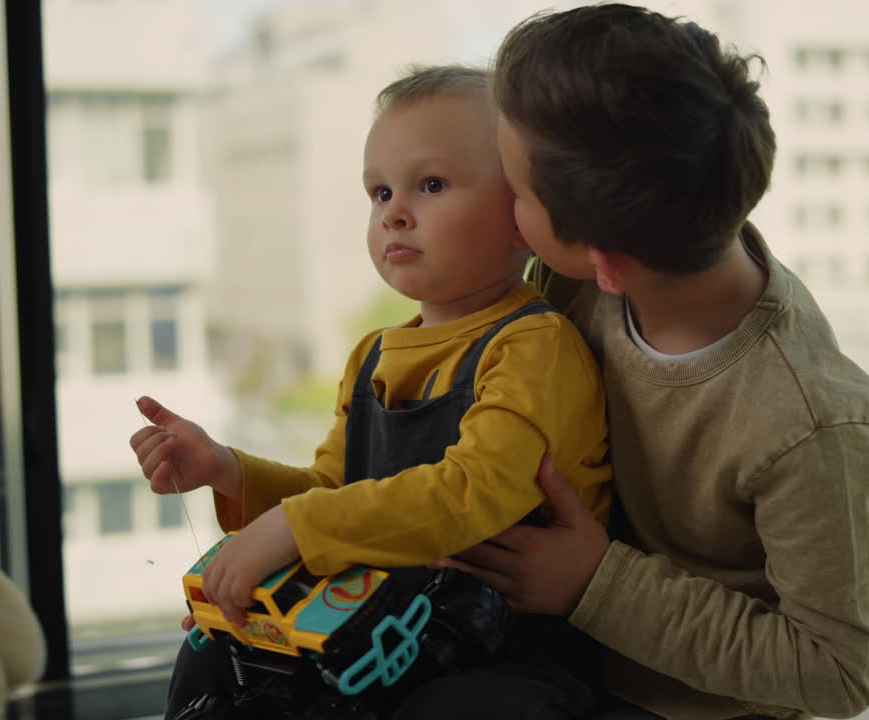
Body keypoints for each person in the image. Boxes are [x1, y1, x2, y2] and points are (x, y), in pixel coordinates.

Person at [433, 5, 869, 720]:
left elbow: (839, 672)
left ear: (605, 264)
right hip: (561, 652)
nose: (499, 200)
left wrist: (595, 582)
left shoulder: (811, 422)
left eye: (515, 192)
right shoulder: (628, 242)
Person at [130, 64, 611, 719]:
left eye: (431, 185)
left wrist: (293, 528)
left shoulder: (535, 345)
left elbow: (471, 494)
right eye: (379, 193)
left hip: (511, 653)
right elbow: (335, 494)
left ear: (524, 216)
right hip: (383, 634)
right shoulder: (372, 356)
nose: (395, 214)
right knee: (212, 658)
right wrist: (230, 470)